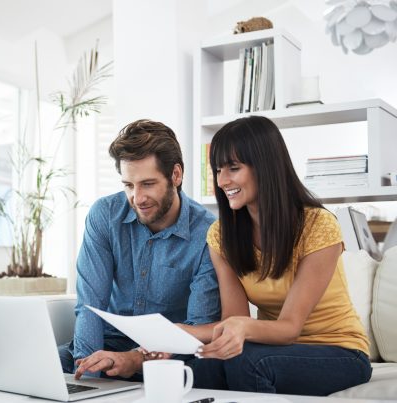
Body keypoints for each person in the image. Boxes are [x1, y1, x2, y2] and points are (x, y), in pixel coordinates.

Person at [175, 115, 372, 395]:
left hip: (339, 351)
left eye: (233, 168)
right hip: (275, 349)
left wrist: (238, 330)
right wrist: (180, 333)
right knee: (202, 364)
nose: (222, 181)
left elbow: (289, 328)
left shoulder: (318, 225)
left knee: (247, 363)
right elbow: (234, 319)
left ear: (266, 167)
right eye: (218, 170)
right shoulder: (221, 235)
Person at [58, 119, 220, 381]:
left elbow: (197, 327)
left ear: (176, 175)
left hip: (168, 356)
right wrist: (88, 376)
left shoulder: (208, 234)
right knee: (41, 369)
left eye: (147, 183)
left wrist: (134, 359)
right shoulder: (105, 215)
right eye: (128, 185)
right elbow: (90, 306)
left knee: (205, 370)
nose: (137, 198)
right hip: (105, 346)